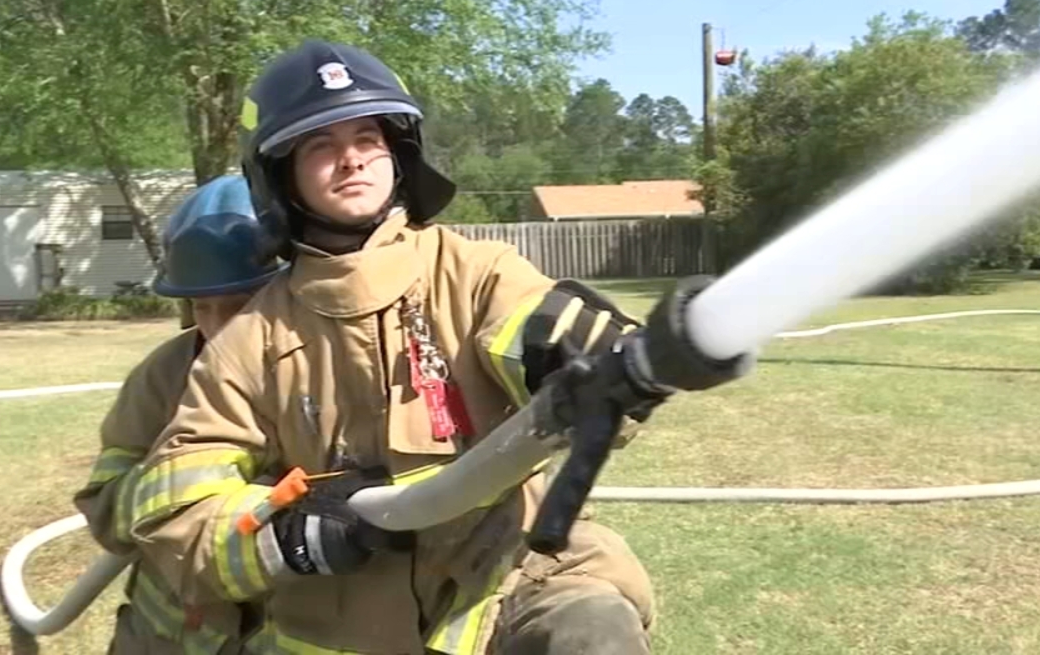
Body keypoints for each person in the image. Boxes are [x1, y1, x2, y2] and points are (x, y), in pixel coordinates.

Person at [121, 40, 657, 655]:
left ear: (399, 154)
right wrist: (281, 536)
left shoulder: (476, 273)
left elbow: (548, 333)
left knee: (588, 630)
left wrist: (599, 365)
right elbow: (176, 515)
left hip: (505, 577)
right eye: (321, 145)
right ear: (279, 176)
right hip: (343, 623)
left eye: (367, 139)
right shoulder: (249, 341)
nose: (351, 160)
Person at [74, 175, 284, 654]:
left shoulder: (333, 373)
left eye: (241, 305)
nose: (218, 329)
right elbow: (104, 504)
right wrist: (182, 495)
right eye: (202, 306)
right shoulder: (162, 377)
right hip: (167, 636)